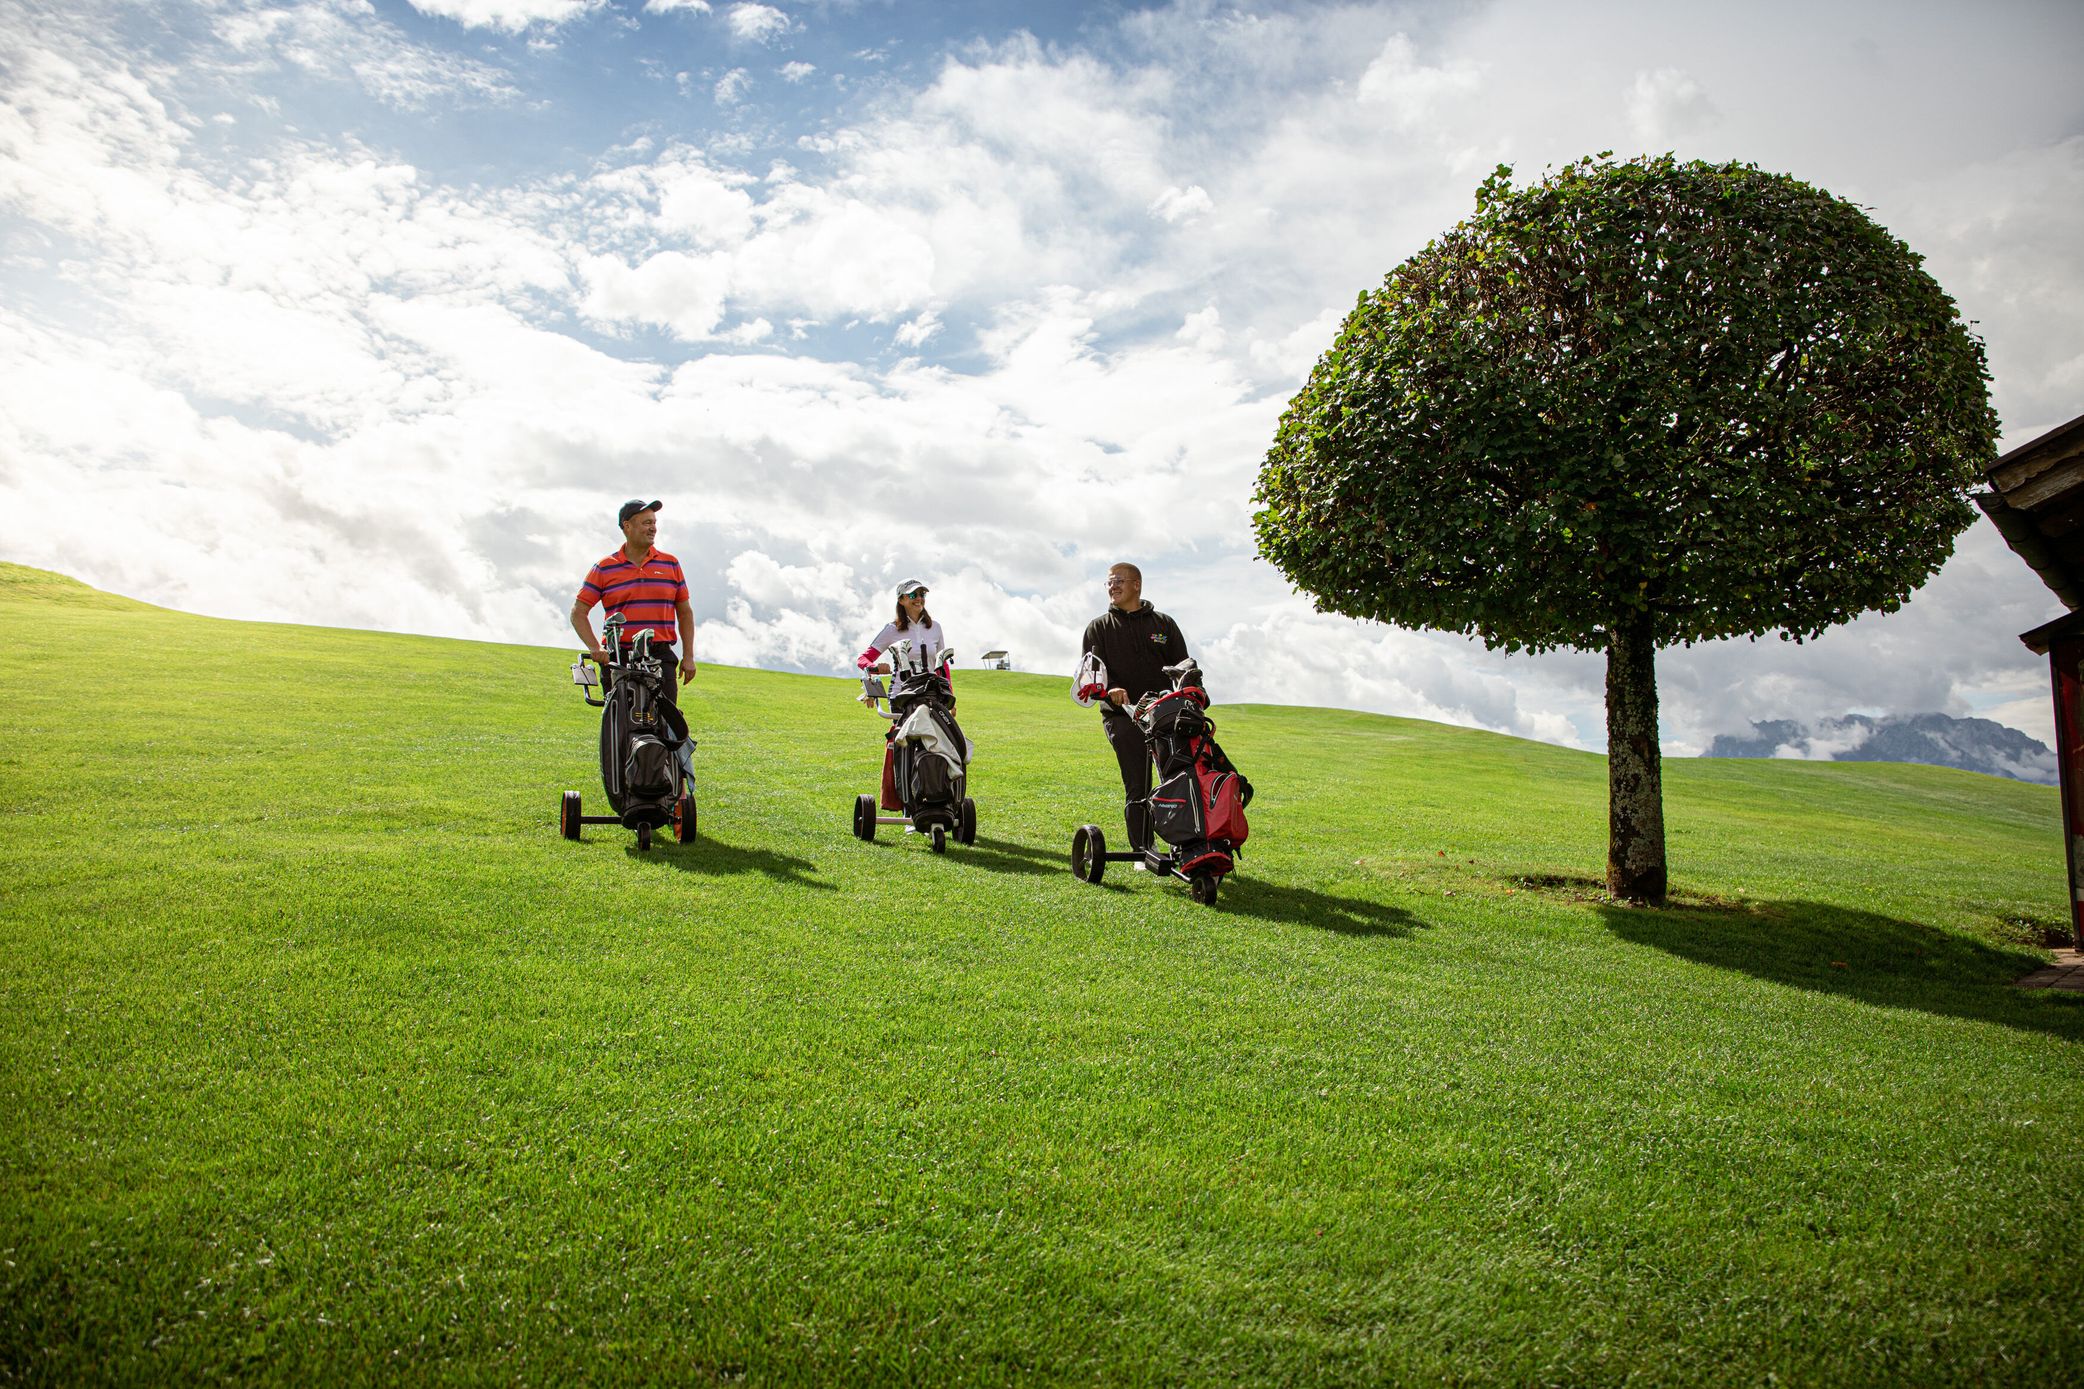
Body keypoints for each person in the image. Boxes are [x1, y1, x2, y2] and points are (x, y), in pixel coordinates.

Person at [1077, 562, 1191, 858]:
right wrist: (1110, 688)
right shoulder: (1098, 627)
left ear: (1136, 585)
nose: (1112, 587)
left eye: (1118, 581)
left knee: (1179, 778)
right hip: (1122, 716)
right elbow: (1091, 673)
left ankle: (1186, 843)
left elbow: (1183, 666)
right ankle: (1143, 848)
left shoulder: (1164, 625)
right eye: (1109, 583)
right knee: (1138, 782)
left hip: (1165, 715)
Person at [570, 499, 697, 702]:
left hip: (660, 655)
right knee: (619, 721)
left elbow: (685, 612)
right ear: (627, 526)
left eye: (654, 523)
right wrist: (595, 647)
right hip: (618, 656)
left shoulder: (671, 564)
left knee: (670, 725)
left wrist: (688, 656)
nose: (653, 528)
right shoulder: (604, 567)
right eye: (647, 523)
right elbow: (578, 612)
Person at [856, 579, 957, 816]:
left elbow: (942, 666)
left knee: (935, 744)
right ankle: (909, 808)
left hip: (932, 694)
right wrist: (873, 669)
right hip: (902, 696)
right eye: (913, 595)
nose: (919, 599)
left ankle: (934, 801)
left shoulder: (936, 628)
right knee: (907, 745)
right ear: (901, 600)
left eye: (922, 594)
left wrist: (951, 697)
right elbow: (864, 658)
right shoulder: (892, 630)